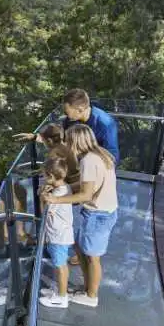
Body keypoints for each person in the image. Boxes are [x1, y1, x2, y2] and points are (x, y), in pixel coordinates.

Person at [44, 124, 118, 308]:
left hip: (98, 214)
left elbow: (86, 195)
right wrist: (62, 190)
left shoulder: (88, 161)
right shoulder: (101, 154)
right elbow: (89, 187)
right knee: (84, 251)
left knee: (93, 257)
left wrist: (55, 199)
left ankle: (91, 296)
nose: (67, 146)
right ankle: (86, 289)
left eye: (68, 141)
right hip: (104, 211)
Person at [39, 156, 73, 308]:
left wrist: (42, 197)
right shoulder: (65, 187)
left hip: (57, 236)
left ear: (51, 177)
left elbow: (44, 212)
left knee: (60, 266)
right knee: (62, 264)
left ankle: (61, 297)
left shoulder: (56, 196)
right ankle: (60, 289)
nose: (43, 178)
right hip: (62, 234)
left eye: (44, 175)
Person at [61, 89, 119, 162]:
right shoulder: (70, 120)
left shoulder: (105, 124)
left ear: (80, 110)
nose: (65, 115)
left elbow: (112, 156)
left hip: (95, 166)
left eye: (66, 112)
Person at [13, 123, 80, 184]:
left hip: (69, 184)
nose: (42, 142)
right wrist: (33, 137)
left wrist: (30, 173)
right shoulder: (67, 145)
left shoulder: (54, 152)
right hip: (77, 179)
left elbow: (49, 171)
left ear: (49, 141)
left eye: (43, 140)